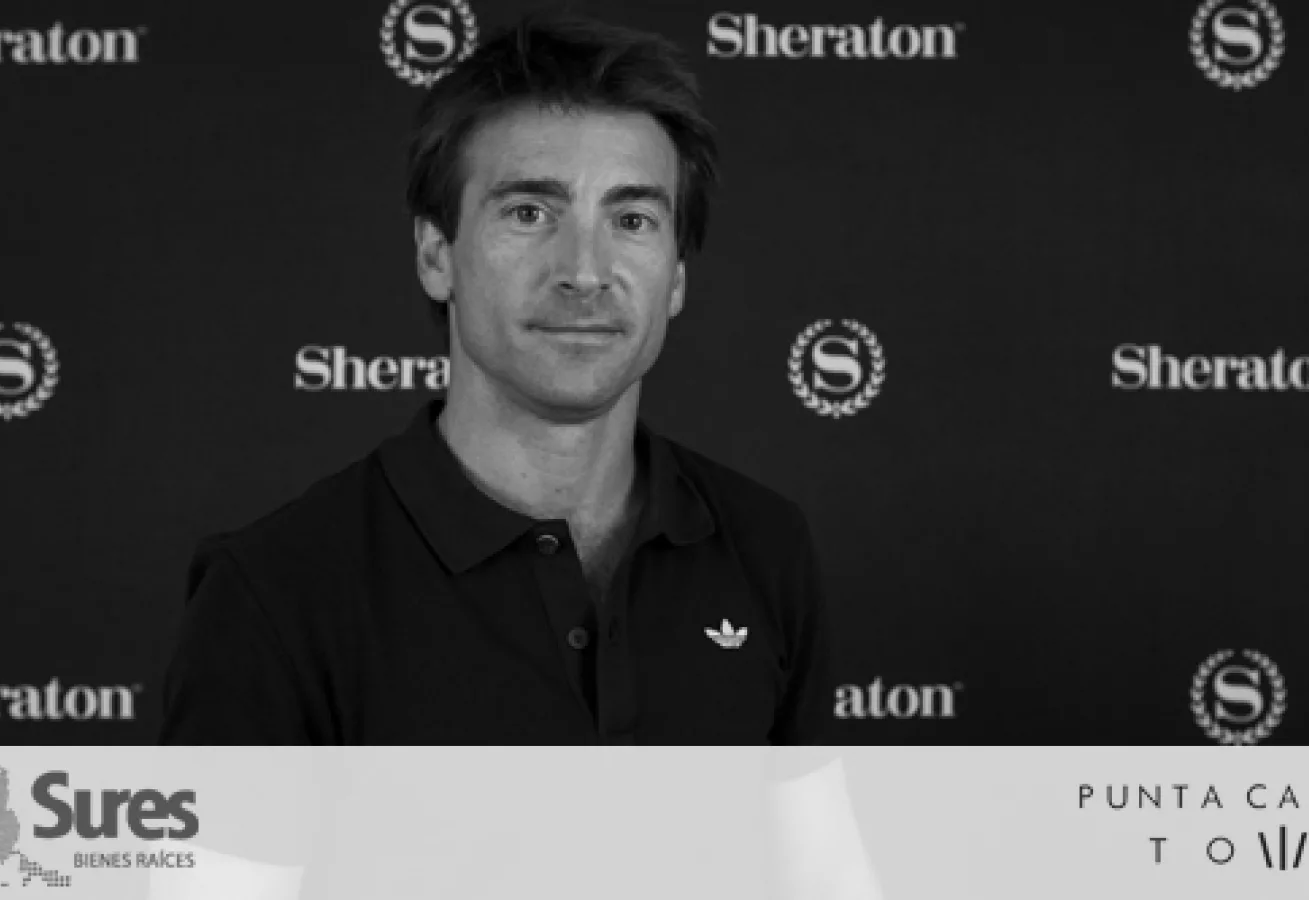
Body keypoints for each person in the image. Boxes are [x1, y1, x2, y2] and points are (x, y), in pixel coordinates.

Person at [155, 12, 882, 898]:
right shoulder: (276, 593)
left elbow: (825, 878)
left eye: (632, 218)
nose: (585, 270)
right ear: (436, 255)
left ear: (677, 277)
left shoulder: (763, 545)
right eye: (529, 212)